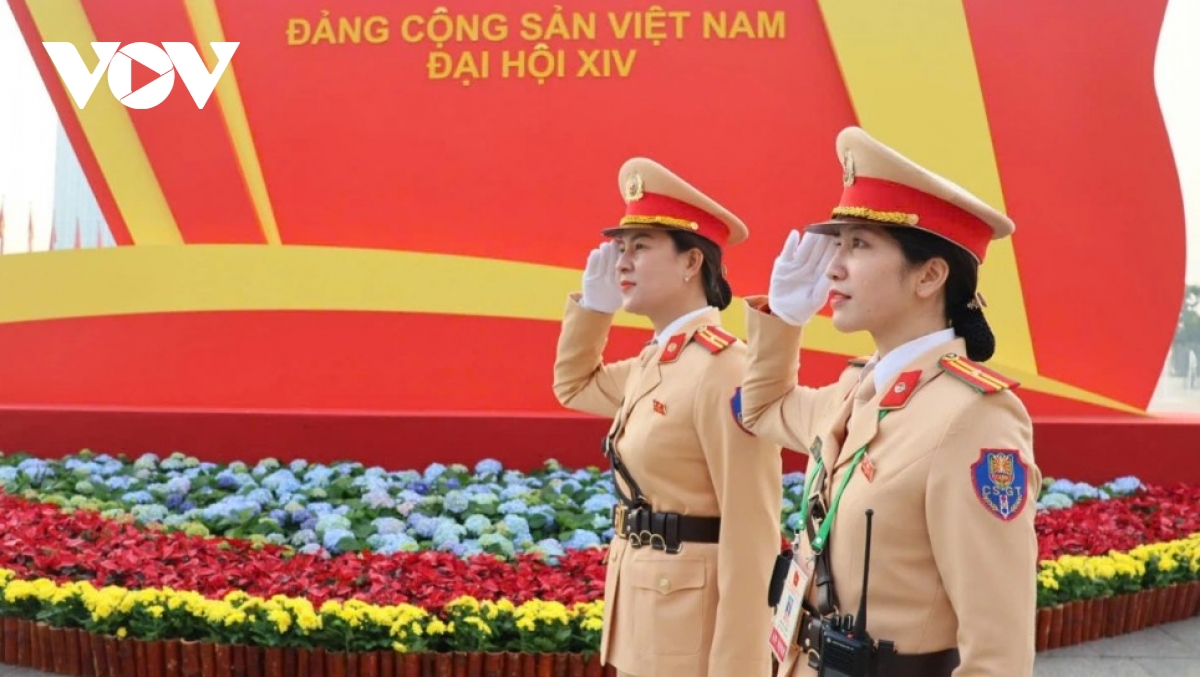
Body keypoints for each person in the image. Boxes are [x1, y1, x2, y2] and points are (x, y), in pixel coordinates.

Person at [740, 127, 1041, 677]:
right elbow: (761, 409)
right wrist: (782, 320)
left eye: (859, 245)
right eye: (839, 244)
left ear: (929, 275)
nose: (833, 266)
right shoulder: (857, 390)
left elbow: (998, 650)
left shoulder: (972, 416)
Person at [553, 157, 783, 677]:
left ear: (690, 262)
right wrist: (594, 309)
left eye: (641, 247)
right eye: (621, 248)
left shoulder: (722, 369)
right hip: (648, 616)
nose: (622, 262)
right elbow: (574, 386)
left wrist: (740, 666)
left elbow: (753, 530)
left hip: (693, 636)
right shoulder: (660, 359)